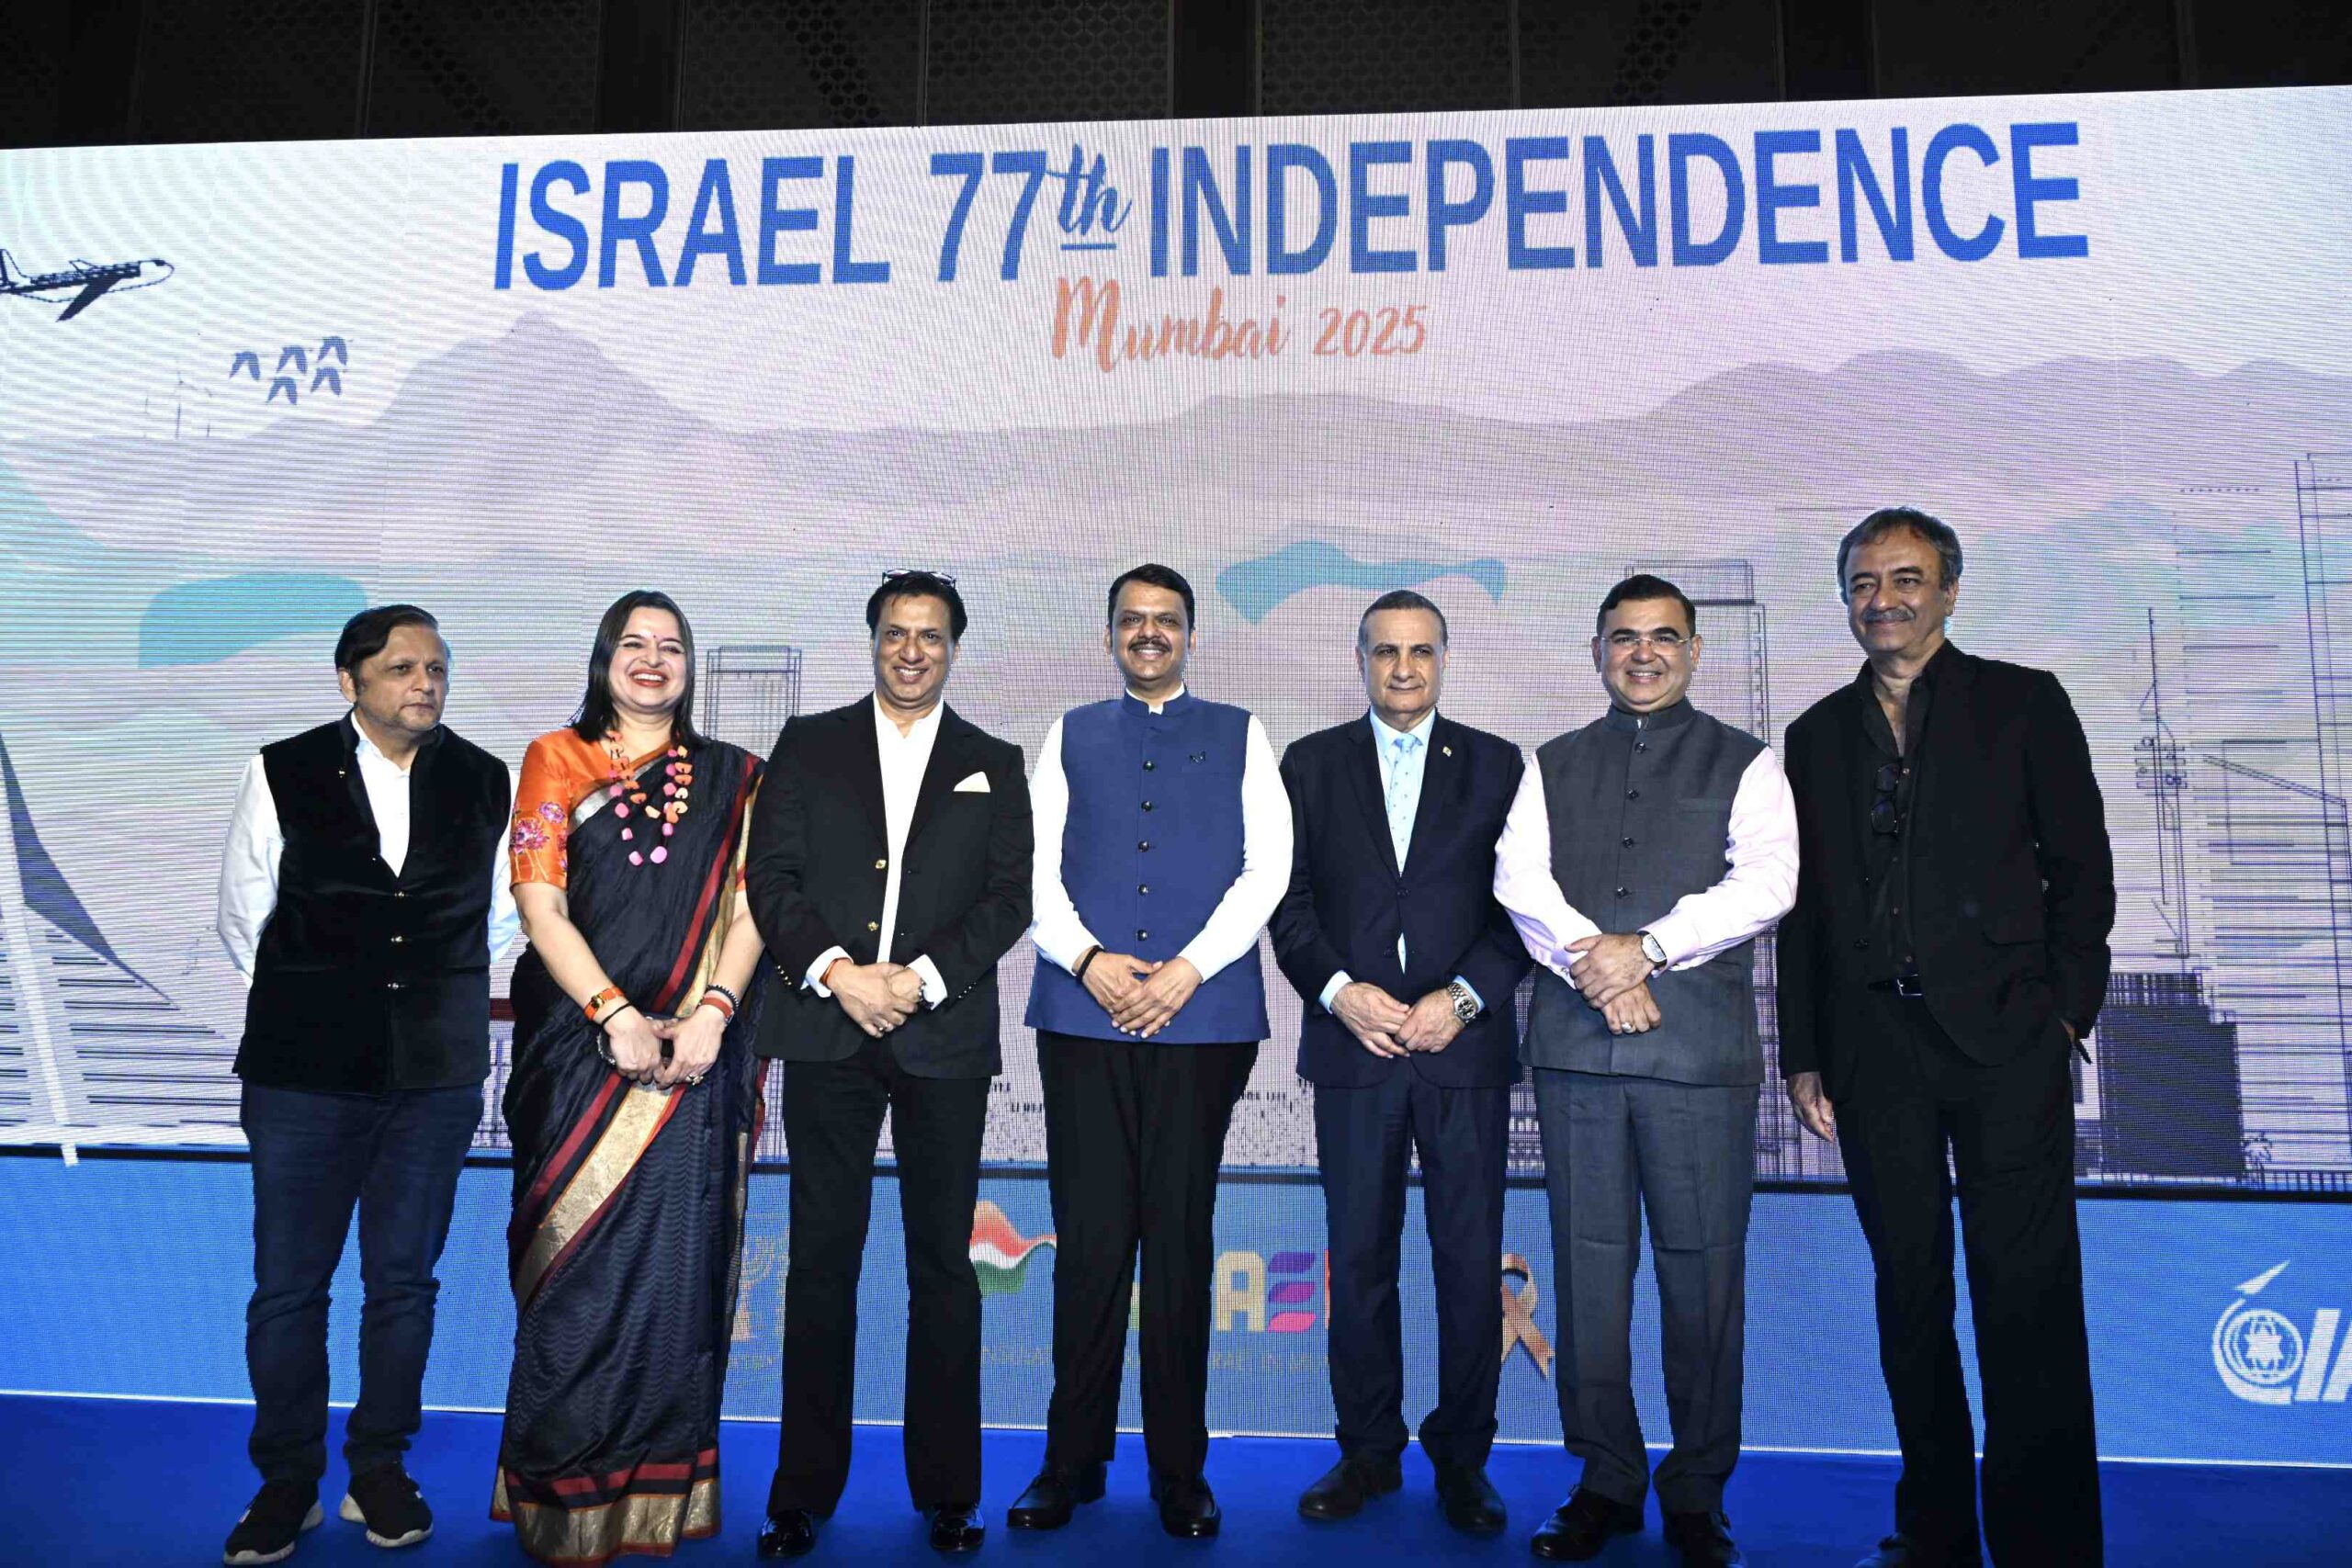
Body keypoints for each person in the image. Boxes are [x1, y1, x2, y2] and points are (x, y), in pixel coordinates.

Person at [1777, 510, 2112, 1568]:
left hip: (2006, 1043)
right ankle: (1933, 1532)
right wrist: (1802, 1050)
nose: (1883, 599)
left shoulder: (2023, 702)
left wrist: (2065, 1016)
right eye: (1863, 582)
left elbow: (2082, 871)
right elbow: (1804, 911)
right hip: (1874, 1051)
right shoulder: (1812, 735)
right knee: (1908, 1297)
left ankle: (2046, 1544)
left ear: (1949, 592)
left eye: (1906, 578)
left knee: (2026, 1296)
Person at [1494, 574, 1797, 1568]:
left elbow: (1769, 882)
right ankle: (1606, 1480)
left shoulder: (1748, 762)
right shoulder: (1548, 764)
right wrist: (1603, 964)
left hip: (1695, 1062)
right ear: (1597, 652)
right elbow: (1518, 881)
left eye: (1663, 637)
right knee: (1588, 1275)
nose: (1644, 653)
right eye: (1624, 637)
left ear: (1694, 651)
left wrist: (1649, 950)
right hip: (1578, 1056)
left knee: (1702, 1277)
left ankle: (1698, 1492)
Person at [217, 604, 518, 1565]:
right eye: (401, 668)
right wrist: (325, 1002)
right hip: (301, 1076)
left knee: (404, 1287)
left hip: (432, 1079)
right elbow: (243, 917)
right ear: (349, 681)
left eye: (437, 668)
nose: (424, 683)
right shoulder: (281, 769)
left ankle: (379, 1470)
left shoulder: (485, 778)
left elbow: (500, 919)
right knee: (288, 1289)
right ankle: (286, 1483)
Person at [743, 571, 1034, 1561]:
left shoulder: (992, 760)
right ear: (872, 640)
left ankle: (950, 1492)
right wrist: (838, 974)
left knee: (943, 1267)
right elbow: (770, 878)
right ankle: (799, 1494)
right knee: (820, 1263)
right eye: (897, 633)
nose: (912, 651)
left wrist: (919, 980)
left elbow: (1008, 898)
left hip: (940, 1038)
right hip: (826, 1031)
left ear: (954, 648)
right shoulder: (807, 743)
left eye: (931, 636)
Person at [1007, 563, 1291, 1541]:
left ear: (1191, 636)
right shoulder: (1070, 733)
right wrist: (1088, 961)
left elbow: (1268, 869)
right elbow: (1032, 866)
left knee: (1177, 1244)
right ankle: (1070, 1463)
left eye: (1166, 620)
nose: (1148, 633)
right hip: (1082, 1015)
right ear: (1108, 636)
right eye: (1131, 620)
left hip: (1201, 1021)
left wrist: (1188, 970)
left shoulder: (1243, 732)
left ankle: (1180, 1471)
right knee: (1089, 1246)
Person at [492, 591, 769, 1565]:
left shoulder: (738, 777)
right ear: (604, 657)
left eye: (672, 646)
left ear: (690, 666)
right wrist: (614, 1017)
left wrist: (713, 1013)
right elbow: (541, 906)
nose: (653, 659)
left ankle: (658, 1491)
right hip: (580, 1054)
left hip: (695, 1059)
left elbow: (753, 909)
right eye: (634, 643)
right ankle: (561, 1495)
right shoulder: (555, 758)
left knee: (675, 1279)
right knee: (573, 1276)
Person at [1270, 590, 1530, 1536]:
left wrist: (1460, 1000)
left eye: (1421, 651)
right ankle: (1368, 1452)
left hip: (1464, 1050)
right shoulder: (1310, 764)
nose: (1405, 668)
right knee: (1358, 1260)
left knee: (1467, 1263)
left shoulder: (1500, 765)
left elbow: (1523, 908)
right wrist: (1341, 992)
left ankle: (1463, 1460)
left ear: (1444, 659)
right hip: (1355, 1048)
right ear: (1362, 660)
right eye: (1386, 651)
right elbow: (1286, 902)